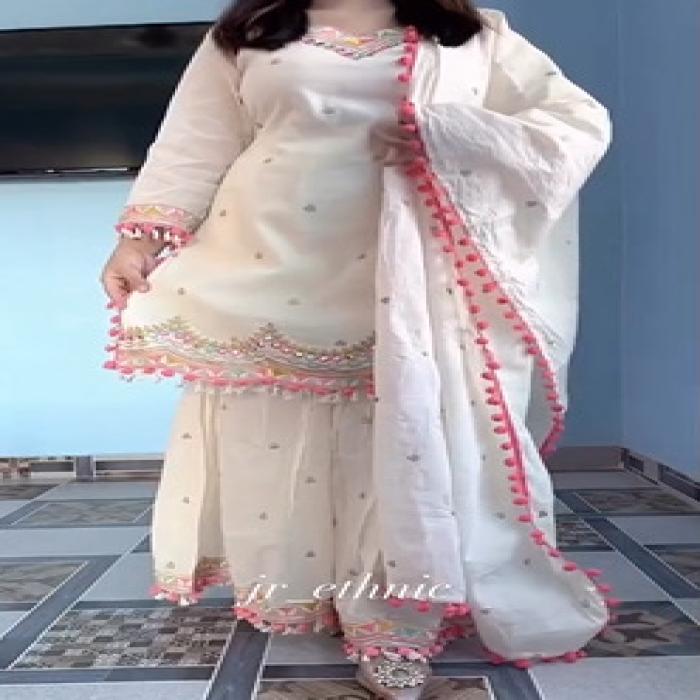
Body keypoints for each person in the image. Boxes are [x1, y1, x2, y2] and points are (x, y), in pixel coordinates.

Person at [100, 1, 615, 697]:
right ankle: (308, 588)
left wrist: (452, 135)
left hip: (411, 272)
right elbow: (197, 140)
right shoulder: (249, 31)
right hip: (269, 257)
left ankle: (394, 623)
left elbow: (574, 123)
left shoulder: (471, 33)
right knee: (282, 432)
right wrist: (138, 240)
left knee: (403, 433)